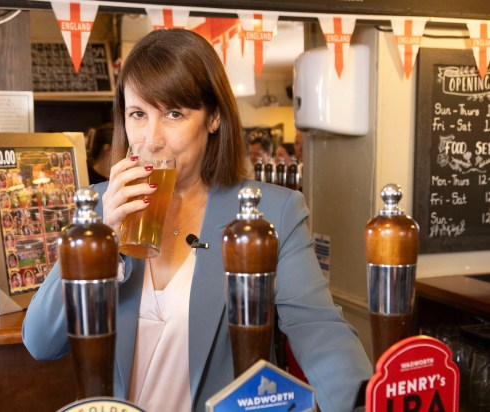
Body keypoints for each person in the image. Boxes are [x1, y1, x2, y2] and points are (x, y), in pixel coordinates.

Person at [22, 28, 372, 412]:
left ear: (214, 118)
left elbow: (319, 332)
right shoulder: (99, 207)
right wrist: (98, 238)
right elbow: (41, 342)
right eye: (138, 114)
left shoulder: (272, 213)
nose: (151, 139)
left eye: (174, 114)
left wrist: (367, 402)